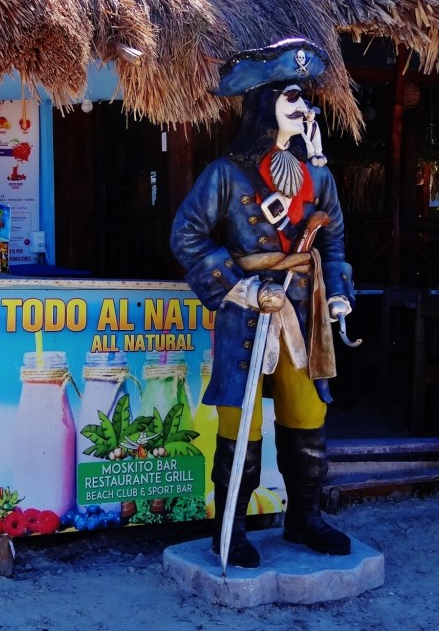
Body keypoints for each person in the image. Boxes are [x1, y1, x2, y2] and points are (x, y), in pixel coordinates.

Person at [170, 61, 355, 569]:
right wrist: (241, 288)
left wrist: (337, 291)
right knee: (241, 424)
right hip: (246, 315)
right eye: (291, 97)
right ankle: (229, 528)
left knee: (307, 417)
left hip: (302, 311)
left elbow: (335, 241)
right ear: (262, 107)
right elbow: (187, 236)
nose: (303, 108)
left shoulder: (319, 177)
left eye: (304, 99)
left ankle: (305, 519)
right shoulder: (224, 175)